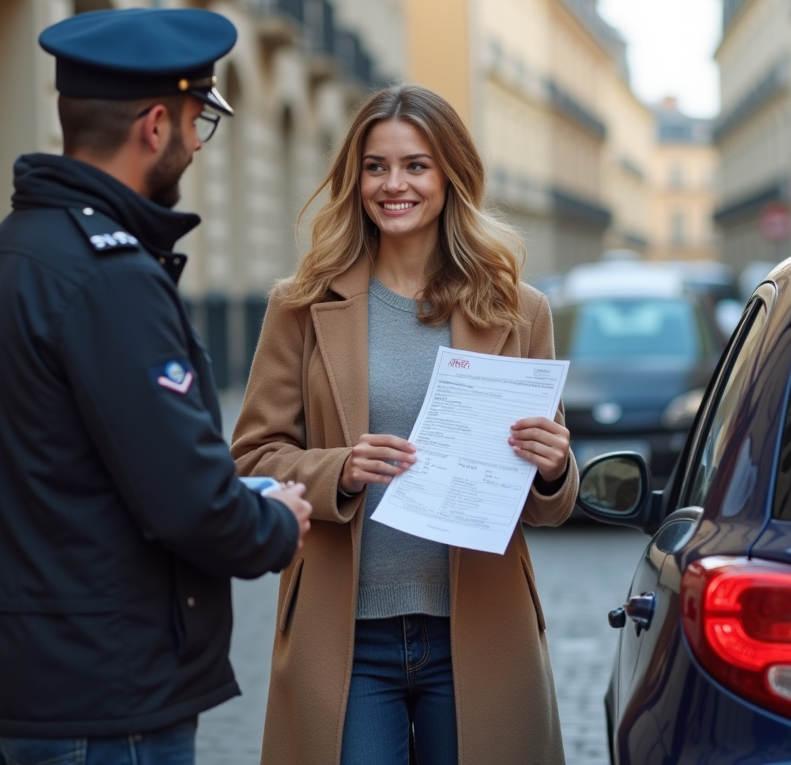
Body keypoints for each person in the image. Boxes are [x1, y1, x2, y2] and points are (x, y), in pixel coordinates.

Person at [0, 7, 312, 765]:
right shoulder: (111, 280)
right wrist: (276, 521)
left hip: (11, 689)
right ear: (153, 125)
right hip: (107, 698)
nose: (196, 149)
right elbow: (190, 500)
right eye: (196, 123)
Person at [232, 84, 579, 765]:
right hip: (347, 630)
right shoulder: (299, 306)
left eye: (416, 165)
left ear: (450, 176)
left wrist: (555, 465)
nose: (395, 185)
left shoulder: (519, 310)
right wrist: (338, 469)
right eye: (376, 166)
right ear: (354, 178)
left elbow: (550, 506)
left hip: (480, 624)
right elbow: (252, 457)